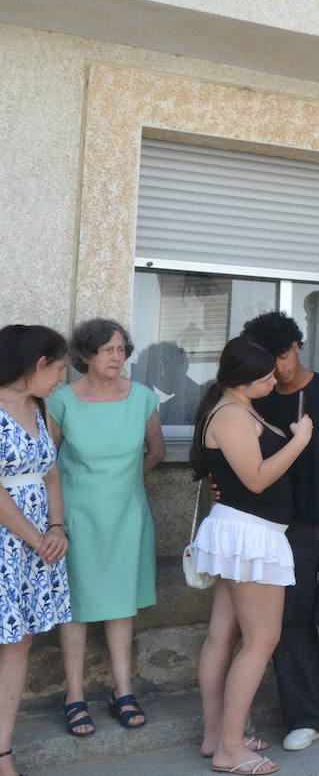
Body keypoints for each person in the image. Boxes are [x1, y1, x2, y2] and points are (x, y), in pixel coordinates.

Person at [241, 312, 319, 753]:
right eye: (266, 361)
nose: (276, 369)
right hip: (280, 529)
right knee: (288, 624)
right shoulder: (255, 400)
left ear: (296, 345)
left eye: (281, 356)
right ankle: (304, 716)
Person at [190, 337, 313, 776]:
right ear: (242, 379)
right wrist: (299, 440)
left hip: (245, 531)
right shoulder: (232, 413)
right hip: (249, 535)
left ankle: (217, 736)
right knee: (261, 641)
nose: (274, 381)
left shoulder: (236, 408)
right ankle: (228, 748)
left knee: (223, 635)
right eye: (265, 377)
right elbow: (257, 479)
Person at [47, 319, 164, 738]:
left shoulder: (143, 397)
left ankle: (123, 691)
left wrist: (125, 484)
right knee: (75, 606)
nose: (118, 357)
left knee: (121, 603)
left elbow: (156, 451)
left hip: (127, 515)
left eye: (121, 349)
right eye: (108, 350)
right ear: (86, 355)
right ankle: (74, 696)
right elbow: (47, 463)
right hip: (77, 517)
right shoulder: (61, 400)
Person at [0, 325, 71, 776]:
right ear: (39, 363)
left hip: (34, 544)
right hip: (10, 543)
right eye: (59, 369)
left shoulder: (38, 408)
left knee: (18, 641)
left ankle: (1, 752)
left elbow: (51, 474)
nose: (61, 380)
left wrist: (57, 527)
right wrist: (36, 537)